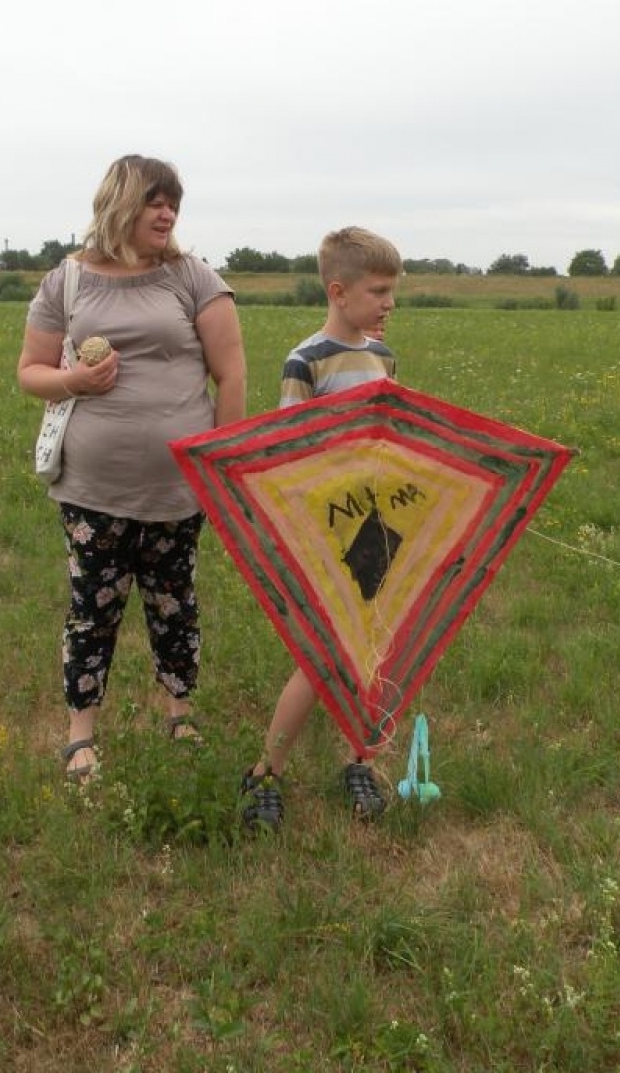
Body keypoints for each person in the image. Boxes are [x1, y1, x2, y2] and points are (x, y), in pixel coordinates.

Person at [17, 155, 247, 780]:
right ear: (120, 204)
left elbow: (230, 373)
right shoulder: (68, 280)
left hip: (178, 486)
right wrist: (73, 379)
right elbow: (30, 372)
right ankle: (80, 733)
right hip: (91, 486)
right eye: (154, 201)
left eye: (173, 203)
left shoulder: (192, 276)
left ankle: (180, 713)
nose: (167, 213)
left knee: (174, 603)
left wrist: (220, 464)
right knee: (94, 606)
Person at [239, 226, 402, 830]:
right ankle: (264, 772)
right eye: (379, 290)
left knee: (370, 650)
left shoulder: (383, 358)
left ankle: (360, 759)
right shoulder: (306, 361)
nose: (389, 303)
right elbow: (289, 452)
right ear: (339, 290)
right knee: (320, 654)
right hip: (325, 529)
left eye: (392, 291)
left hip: (381, 527)